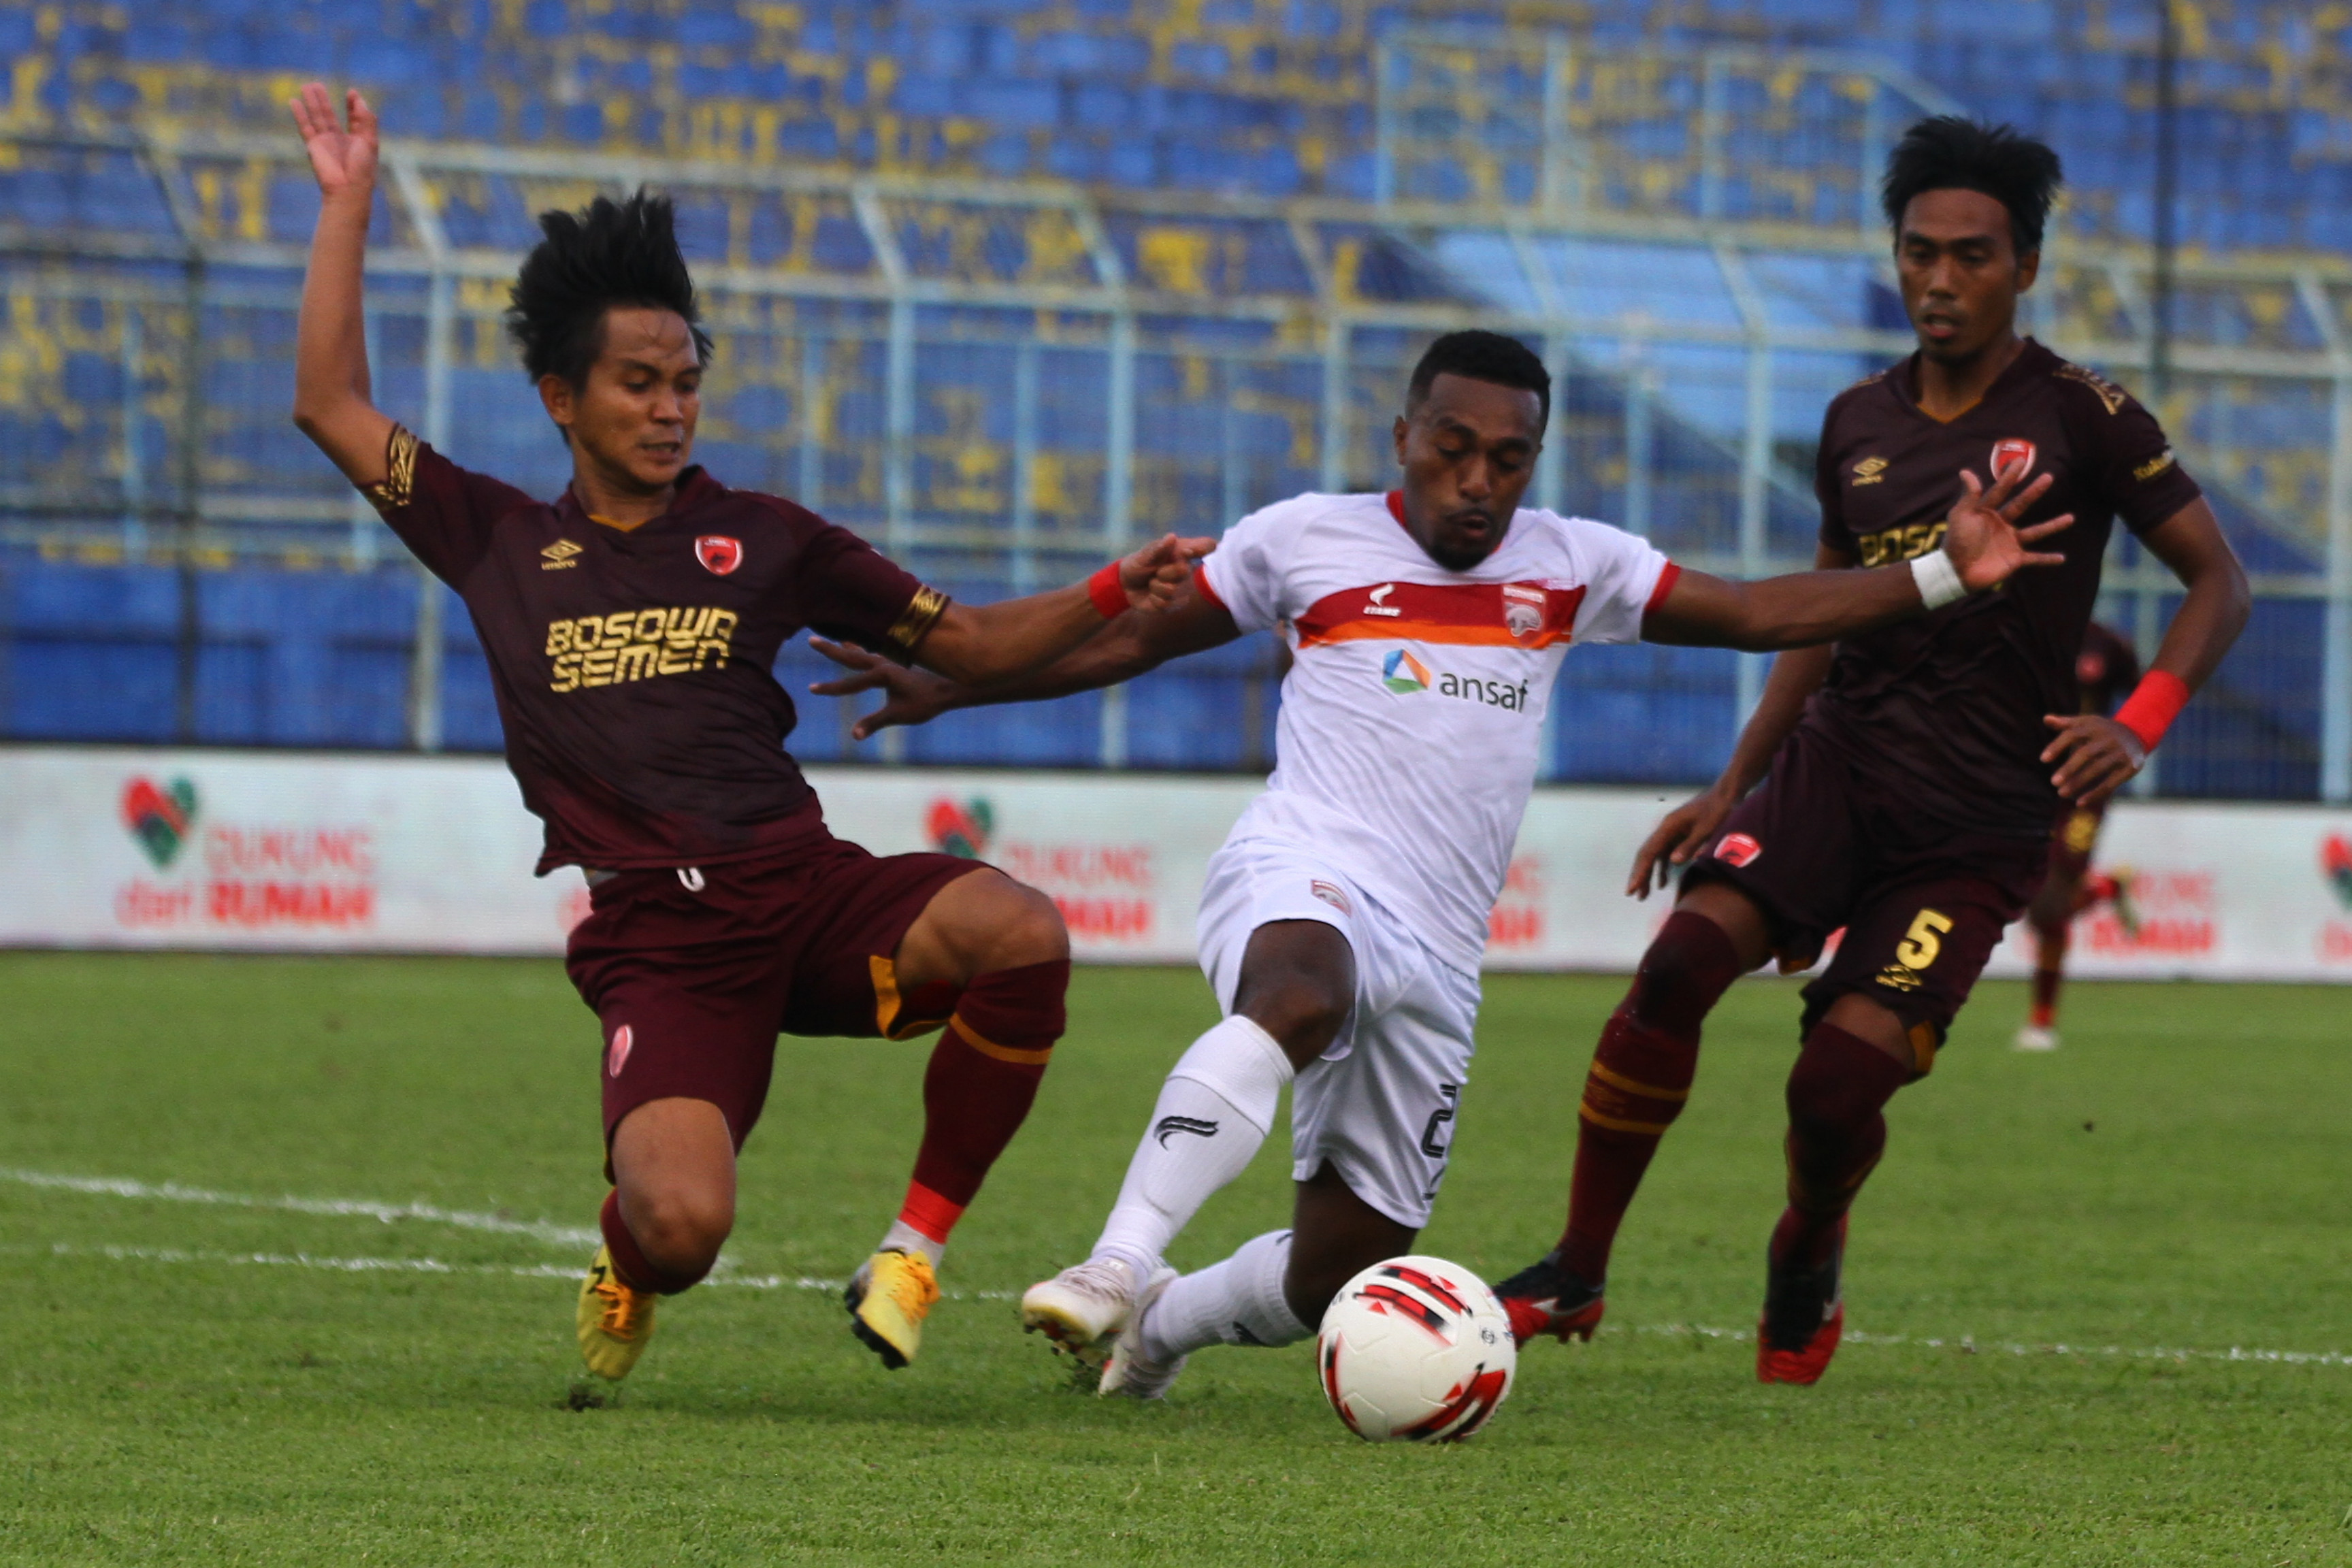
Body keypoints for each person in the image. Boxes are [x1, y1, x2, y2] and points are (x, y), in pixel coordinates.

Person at [808, 326, 2070, 1400]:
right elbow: (1126, 644)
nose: (1477, 479)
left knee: (1340, 1267)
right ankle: (1118, 1259)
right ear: (1403, 432)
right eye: (1452, 446)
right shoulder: (1303, 539)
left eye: (1507, 457)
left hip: (1440, 945)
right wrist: (955, 688)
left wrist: (1943, 571)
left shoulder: (1571, 562)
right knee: (1298, 990)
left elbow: (1751, 612)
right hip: (1306, 864)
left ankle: (1160, 1325)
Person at [284, 85, 1209, 1386]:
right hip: (663, 942)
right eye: (638, 383)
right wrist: (348, 203)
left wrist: (1114, 585)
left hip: (807, 889)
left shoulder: (767, 535)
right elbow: (328, 401)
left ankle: (910, 1252)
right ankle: (625, 1262)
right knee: (681, 1228)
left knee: (1024, 930)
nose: (671, 408)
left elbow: (982, 645)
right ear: (560, 395)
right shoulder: (493, 535)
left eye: (686, 382)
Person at [1492, 117, 2250, 1386]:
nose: (1939, 280)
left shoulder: (2086, 415)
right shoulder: (1855, 421)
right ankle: (1574, 1265)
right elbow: (1821, 614)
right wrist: (1733, 783)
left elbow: (2219, 582)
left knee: (1834, 1092)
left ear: (2024, 267)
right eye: (1916, 253)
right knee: (1679, 961)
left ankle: (1808, 1240)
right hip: (1836, 771)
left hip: (1975, 821)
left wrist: (2139, 722)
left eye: (1970, 256)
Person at [2014, 621, 2145, 1051]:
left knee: (2049, 906)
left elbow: (2141, 696)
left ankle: (2042, 1021)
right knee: (2035, 903)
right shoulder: (2021, 635)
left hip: (2088, 788)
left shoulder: (2107, 644)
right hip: (2032, 783)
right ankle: (2107, 889)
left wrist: (2124, 743)